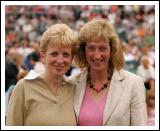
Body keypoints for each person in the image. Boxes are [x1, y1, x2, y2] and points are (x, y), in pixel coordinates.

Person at [71, 19, 147, 126]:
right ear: (83, 51)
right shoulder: (72, 84)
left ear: (112, 50)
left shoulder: (134, 84)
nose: (97, 55)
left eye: (102, 48)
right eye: (91, 48)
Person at [6, 23, 78, 126]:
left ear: (71, 59)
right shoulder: (23, 87)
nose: (60, 60)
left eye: (66, 54)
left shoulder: (74, 88)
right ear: (43, 56)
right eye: (54, 54)